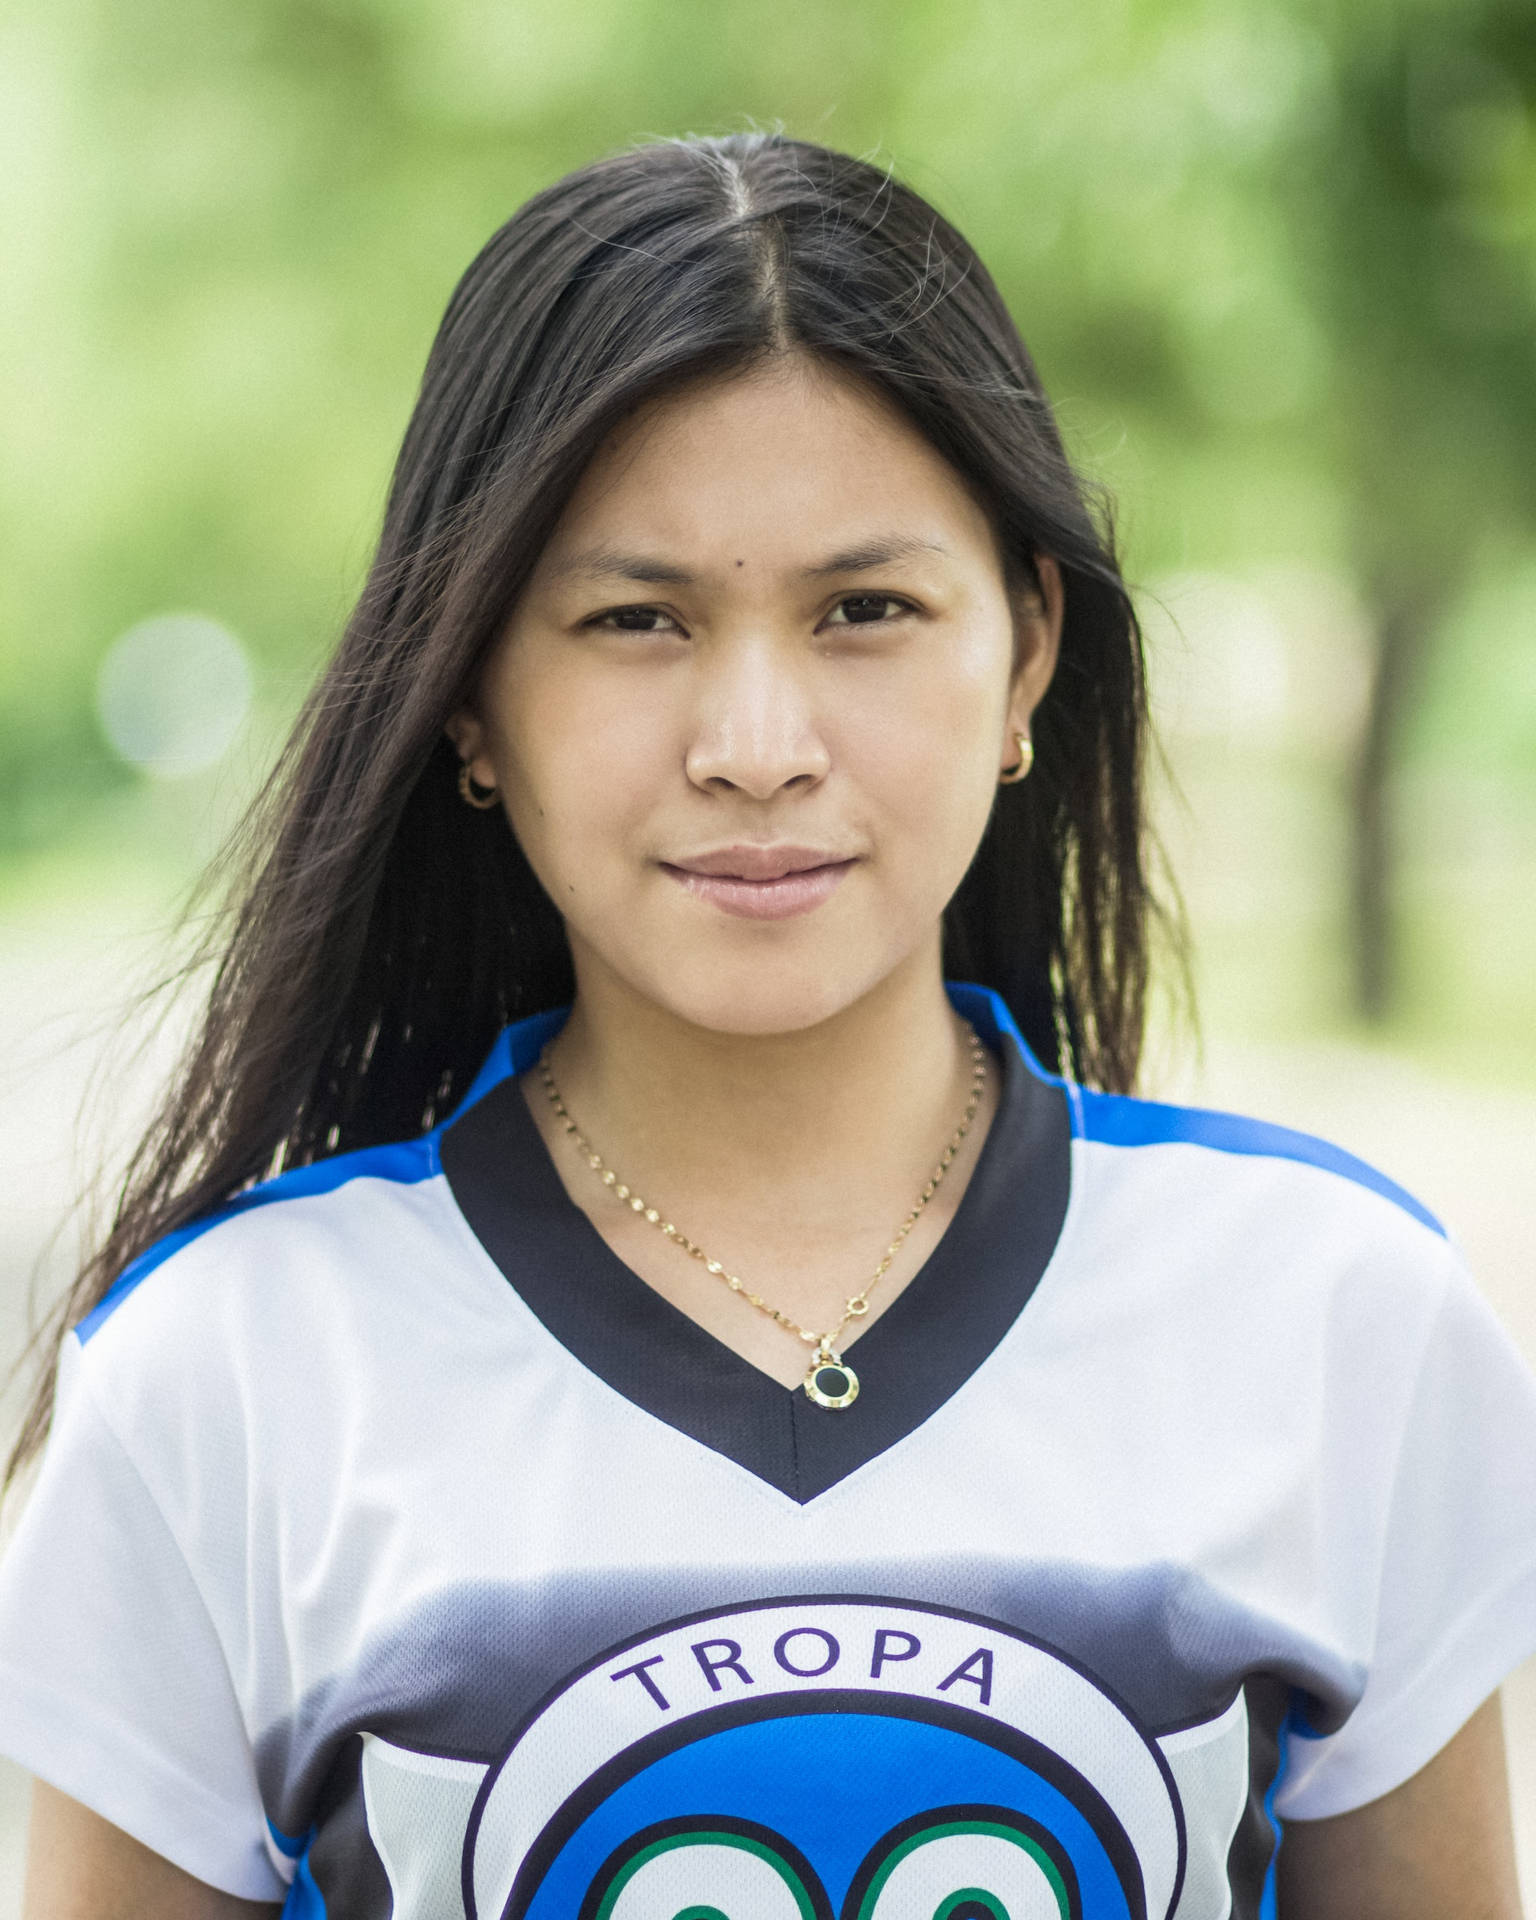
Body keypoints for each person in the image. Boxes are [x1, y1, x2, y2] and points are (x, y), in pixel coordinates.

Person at [1, 132, 1532, 1920]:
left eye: (865, 611)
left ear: (1026, 651)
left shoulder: (1331, 1316)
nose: (755, 741)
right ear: (472, 697)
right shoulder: (229, 1377)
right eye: (636, 619)